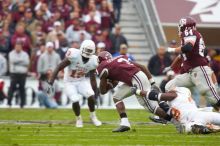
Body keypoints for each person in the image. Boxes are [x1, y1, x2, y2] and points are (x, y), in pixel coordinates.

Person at [97, 51, 171, 132]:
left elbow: (103, 91)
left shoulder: (103, 66)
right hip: (134, 78)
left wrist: (104, 79)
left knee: (150, 107)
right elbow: (142, 66)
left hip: (136, 78)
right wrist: (152, 82)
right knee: (116, 97)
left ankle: (173, 119)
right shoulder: (120, 58)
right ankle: (125, 124)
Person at [165, 16, 220, 110]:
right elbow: (181, 55)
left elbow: (187, 48)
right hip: (190, 73)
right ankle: (168, 112)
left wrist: (170, 49)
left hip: (199, 70)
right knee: (170, 86)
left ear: (184, 26)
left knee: (214, 100)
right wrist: (171, 67)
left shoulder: (190, 32)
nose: (179, 27)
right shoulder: (190, 37)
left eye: (180, 26)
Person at [47, 40, 102, 128]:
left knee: (91, 95)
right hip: (69, 82)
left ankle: (93, 116)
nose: (86, 57)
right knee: (75, 99)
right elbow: (58, 67)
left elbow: (92, 78)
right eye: (85, 53)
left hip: (81, 81)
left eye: (89, 54)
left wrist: (95, 94)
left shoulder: (94, 61)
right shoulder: (74, 55)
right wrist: (51, 82)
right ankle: (78, 118)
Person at [133, 86, 220, 134]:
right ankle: (208, 128)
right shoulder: (186, 99)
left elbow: (155, 97)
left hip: (190, 119)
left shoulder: (175, 95)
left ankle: (208, 128)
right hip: (201, 114)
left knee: (190, 129)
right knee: (190, 128)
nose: (170, 91)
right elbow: (167, 110)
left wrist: (137, 91)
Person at [8, 40, 30, 108]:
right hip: (14, 73)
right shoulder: (11, 53)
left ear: (21, 47)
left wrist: (17, 62)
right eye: (17, 46)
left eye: (19, 46)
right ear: (15, 47)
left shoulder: (25, 54)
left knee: (22, 89)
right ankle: (9, 103)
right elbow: (12, 61)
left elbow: (26, 63)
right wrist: (21, 61)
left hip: (22, 74)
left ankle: (22, 104)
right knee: (12, 88)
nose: (18, 48)